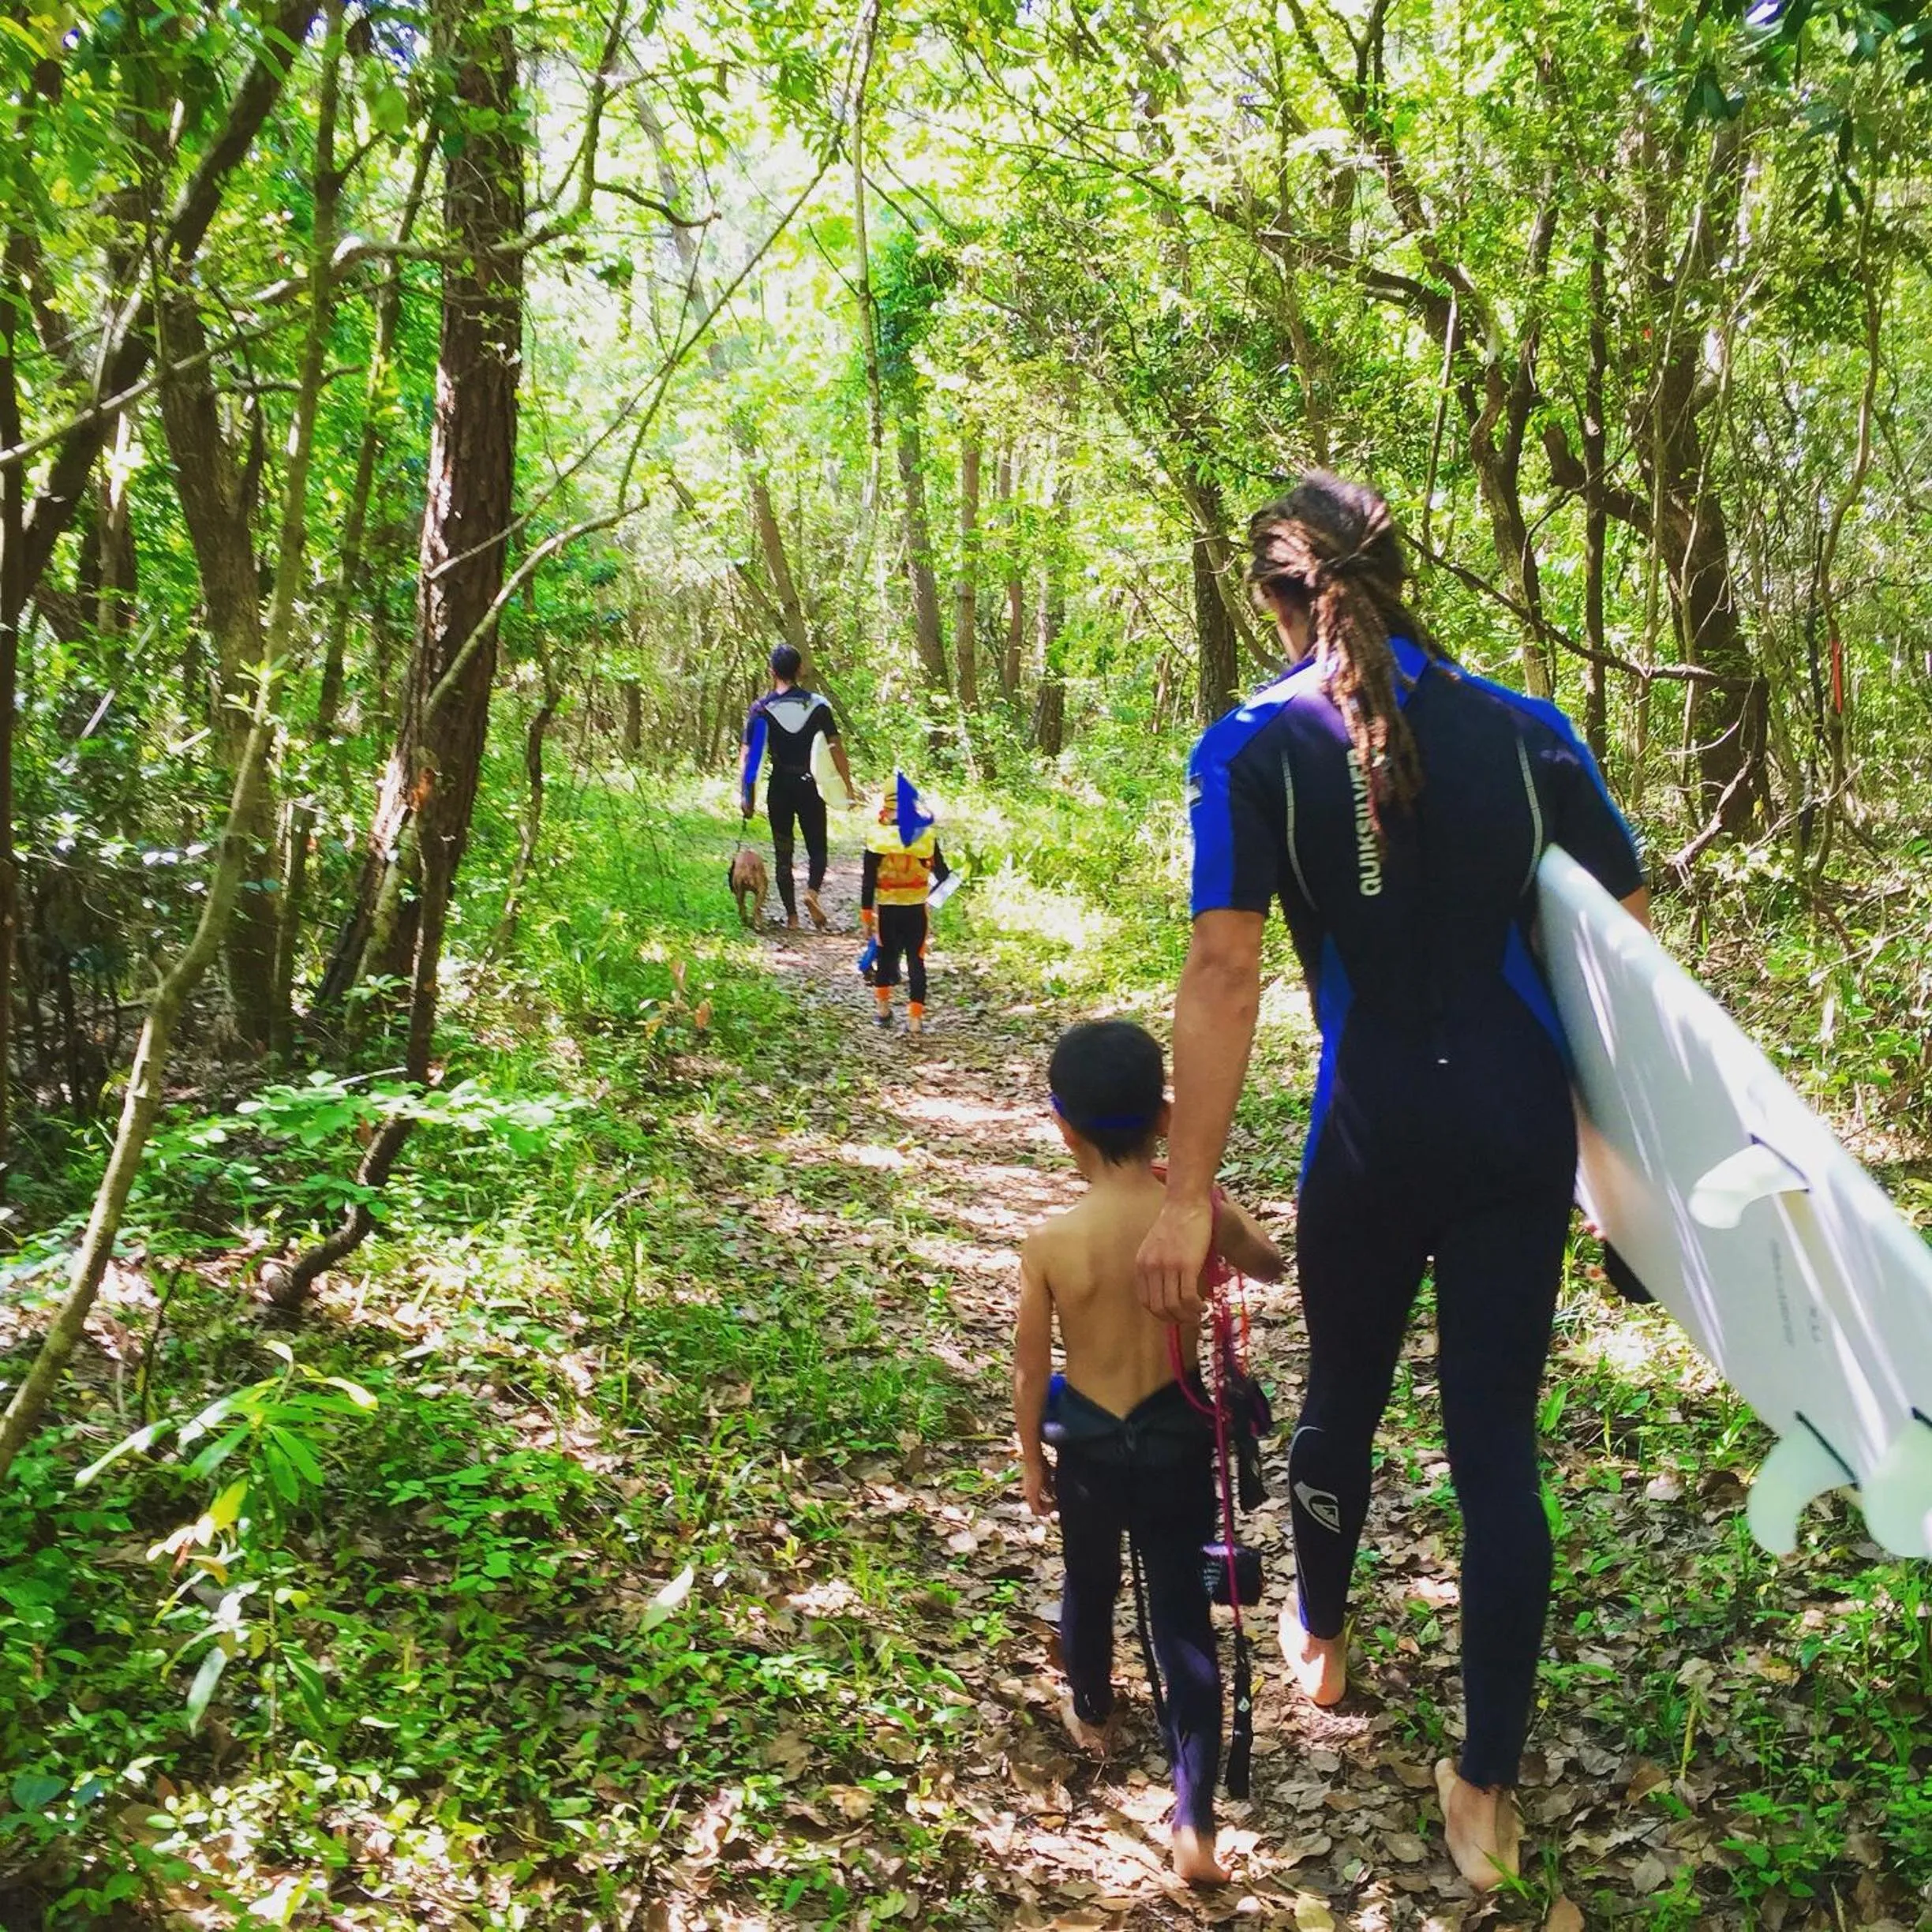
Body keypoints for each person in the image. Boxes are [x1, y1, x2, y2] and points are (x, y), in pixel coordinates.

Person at [1133, 472, 1649, 1891]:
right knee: (1495, 1449)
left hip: (1367, 1130)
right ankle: (1482, 1793)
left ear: (1272, 596)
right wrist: (1636, 1180)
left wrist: (1186, 1194)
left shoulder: (1248, 744)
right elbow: (1630, 950)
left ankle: (1321, 1629)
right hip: (1512, 1132)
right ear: (1398, 571)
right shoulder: (1526, 729)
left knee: (1339, 1398)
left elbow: (1224, 967)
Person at [1013, 1019, 1282, 1887]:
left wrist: (1031, 1460)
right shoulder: (1192, 1218)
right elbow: (1271, 1264)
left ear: (1065, 1127)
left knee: (1090, 1582)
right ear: (1164, 1118)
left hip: (1090, 1444)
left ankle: (1091, 1706)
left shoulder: (1051, 1242)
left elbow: (1029, 1370)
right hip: (1174, 1436)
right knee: (1180, 1615)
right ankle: (1195, 1819)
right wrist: (1211, 1209)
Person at [739, 645, 859, 930]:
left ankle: (792, 918)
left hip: (779, 788)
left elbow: (750, 757)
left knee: (784, 853)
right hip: (810, 786)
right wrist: (847, 786)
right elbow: (835, 749)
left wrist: (747, 796)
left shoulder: (761, 709)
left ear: (772, 672)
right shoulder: (817, 706)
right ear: (800, 671)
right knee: (818, 848)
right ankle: (812, 893)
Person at [860, 773, 949, 1037]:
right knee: (916, 961)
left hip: (887, 910)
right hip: (916, 910)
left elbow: (868, 881)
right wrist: (933, 894)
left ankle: (883, 1011)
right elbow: (943, 876)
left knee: (886, 957)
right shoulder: (926, 838)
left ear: (885, 805)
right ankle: (914, 1021)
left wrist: (866, 915)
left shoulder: (877, 838)